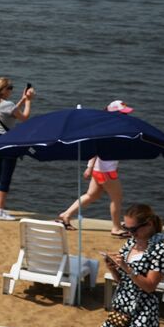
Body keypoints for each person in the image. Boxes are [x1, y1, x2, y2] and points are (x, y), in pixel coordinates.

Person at [57, 100, 131, 234]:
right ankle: (116, 228)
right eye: (122, 113)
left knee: (91, 195)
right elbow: (96, 149)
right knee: (117, 198)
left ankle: (66, 215)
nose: (125, 116)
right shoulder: (111, 129)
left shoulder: (107, 127)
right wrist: (89, 167)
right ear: (113, 113)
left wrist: (91, 167)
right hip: (106, 170)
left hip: (100, 169)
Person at [0, 77, 33, 221]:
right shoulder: (8, 105)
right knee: (6, 176)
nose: (11, 90)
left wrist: (22, 100)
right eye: (10, 88)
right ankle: (0, 211)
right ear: (4, 90)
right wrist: (29, 101)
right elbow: (24, 118)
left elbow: (11, 112)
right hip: (9, 142)